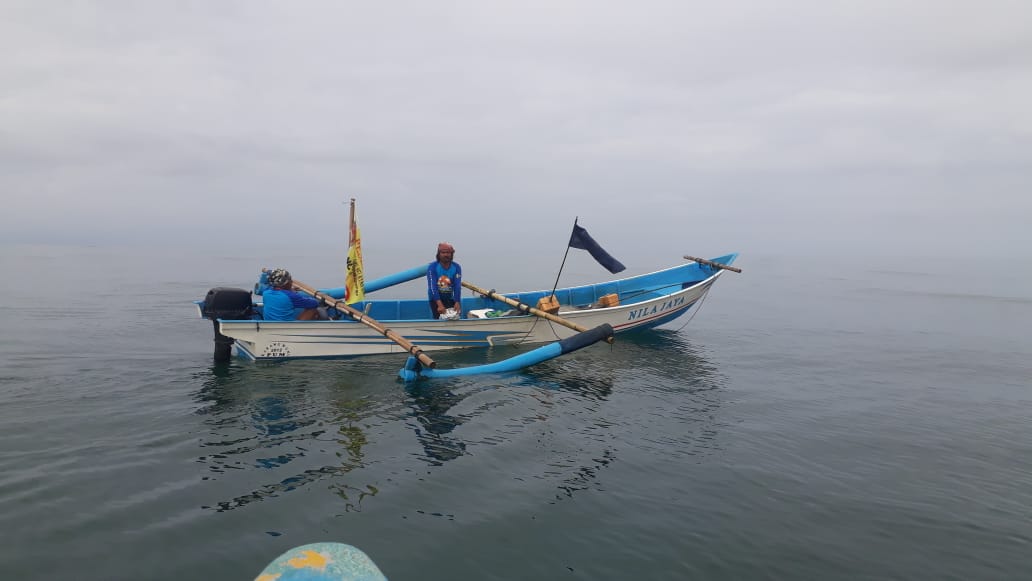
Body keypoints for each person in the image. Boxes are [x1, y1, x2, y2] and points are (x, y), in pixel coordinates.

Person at [426, 242, 462, 319]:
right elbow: (432, 287)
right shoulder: (432, 267)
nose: (446, 255)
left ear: (452, 254)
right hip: (435, 300)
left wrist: (457, 301)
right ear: (439, 254)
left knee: (453, 319)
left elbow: (457, 286)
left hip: (450, 298)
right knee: (438, 319)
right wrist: (439, 305)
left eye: (448, 252)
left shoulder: (456, 267)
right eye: (443, 252)